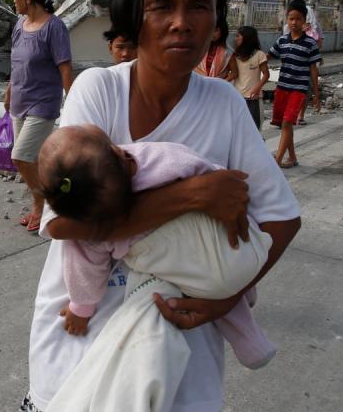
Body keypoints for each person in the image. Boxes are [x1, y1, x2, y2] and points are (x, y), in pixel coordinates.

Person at [22, 0, 300, 412]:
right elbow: (65, 223)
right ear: (135, 15)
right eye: (162, 5)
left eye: (199, 6)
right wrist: (192, 195)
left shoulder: (225, 105)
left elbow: (281, 219)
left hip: (179, 356)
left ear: (215, 22)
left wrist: (224, 297)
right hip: (76, 339)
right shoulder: (99, 90)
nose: (181, 22)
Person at [36, 125, 276, 377]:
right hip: (245, 246)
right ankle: (252, 334)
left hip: (195, 278)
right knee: (220, 264)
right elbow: (203, 170)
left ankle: (250, 343)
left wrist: (81, 310)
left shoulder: (89, 235)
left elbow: (85, 274)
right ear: (123, 154)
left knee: (159, 282)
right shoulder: (159, 157)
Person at [3, 0, 73, 233]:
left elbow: (65, 68)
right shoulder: (19, 25)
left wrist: (75, 102)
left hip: (42, 105)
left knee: (20, 157)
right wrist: (9, 92)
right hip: (19, 102)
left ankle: (41, 205)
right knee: (35, 161)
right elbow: (16, 63)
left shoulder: (54, 27)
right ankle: (53, 203)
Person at [268, 0, 321, 169]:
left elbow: (313, 70)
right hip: (282, 87)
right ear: (286, 19)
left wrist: (315, 95)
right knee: (285, 124)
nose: (294, 22)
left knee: (287, 123)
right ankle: (292, 158)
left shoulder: (310, 44)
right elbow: (266, 57)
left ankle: (277, 161)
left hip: (298, 90)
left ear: (305, 20)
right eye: (291, 19)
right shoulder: (282, 41)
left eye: (298, 19)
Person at [227, 26, 270, 129]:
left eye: (238, 36)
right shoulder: (234, 56)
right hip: (237, 97)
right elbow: (232, 74)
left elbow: (266, 74)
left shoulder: (259, 55)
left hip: (253, 98)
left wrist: (257, 88)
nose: (235, 39)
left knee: (255, 127)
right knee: (237, 128)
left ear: (246, 38)